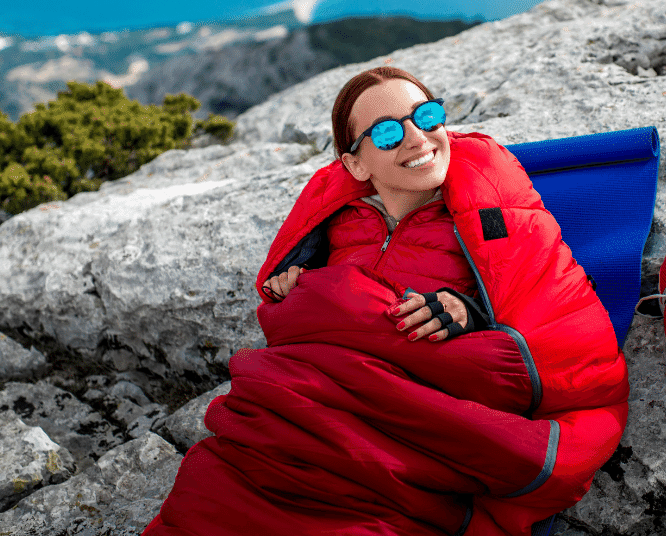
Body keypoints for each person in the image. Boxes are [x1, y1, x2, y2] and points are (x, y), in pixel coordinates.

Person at [145, 67, 629, 536]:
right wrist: (301, 290)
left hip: (397, 450)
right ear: (355, 164)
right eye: (387, 133)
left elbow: (549, 324)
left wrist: (468, 311)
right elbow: (310, 330)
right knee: (212, 502)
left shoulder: (490, 219)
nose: (418, 139)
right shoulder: (339, 220)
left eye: (426, 117)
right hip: (291, 429)